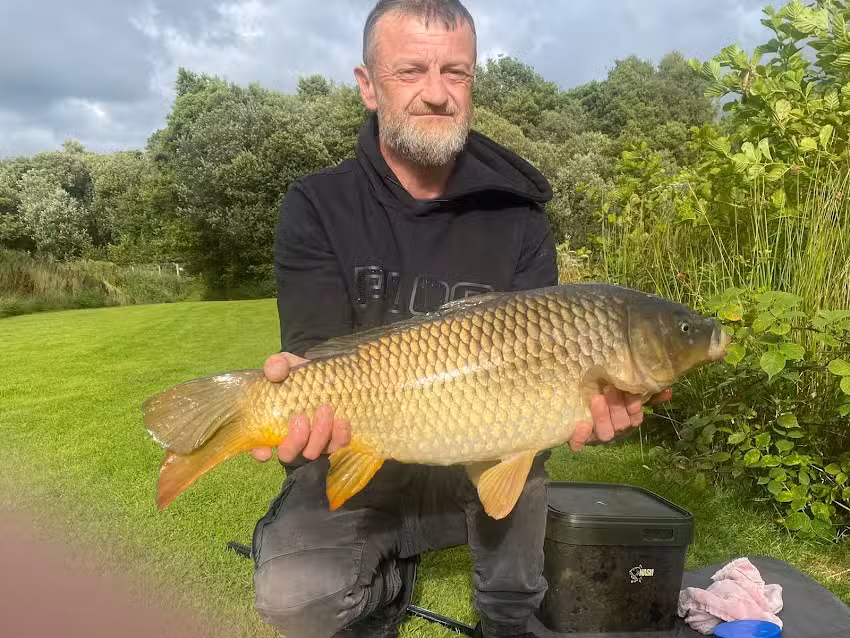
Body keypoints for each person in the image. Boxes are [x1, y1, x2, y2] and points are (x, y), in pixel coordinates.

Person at [248, 2, 671, 637]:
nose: (437, 94)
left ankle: (506, 619)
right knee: (295, 599)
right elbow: (316, 349)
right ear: (368, 85)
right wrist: (299, 390)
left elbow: (552, 361)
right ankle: (385, 579)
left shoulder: (519, 217)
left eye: (457, 72)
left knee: (515, 574)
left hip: (483, 440)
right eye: (411, 70)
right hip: (368, 438)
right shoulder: (318, 204)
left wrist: (590, 406)